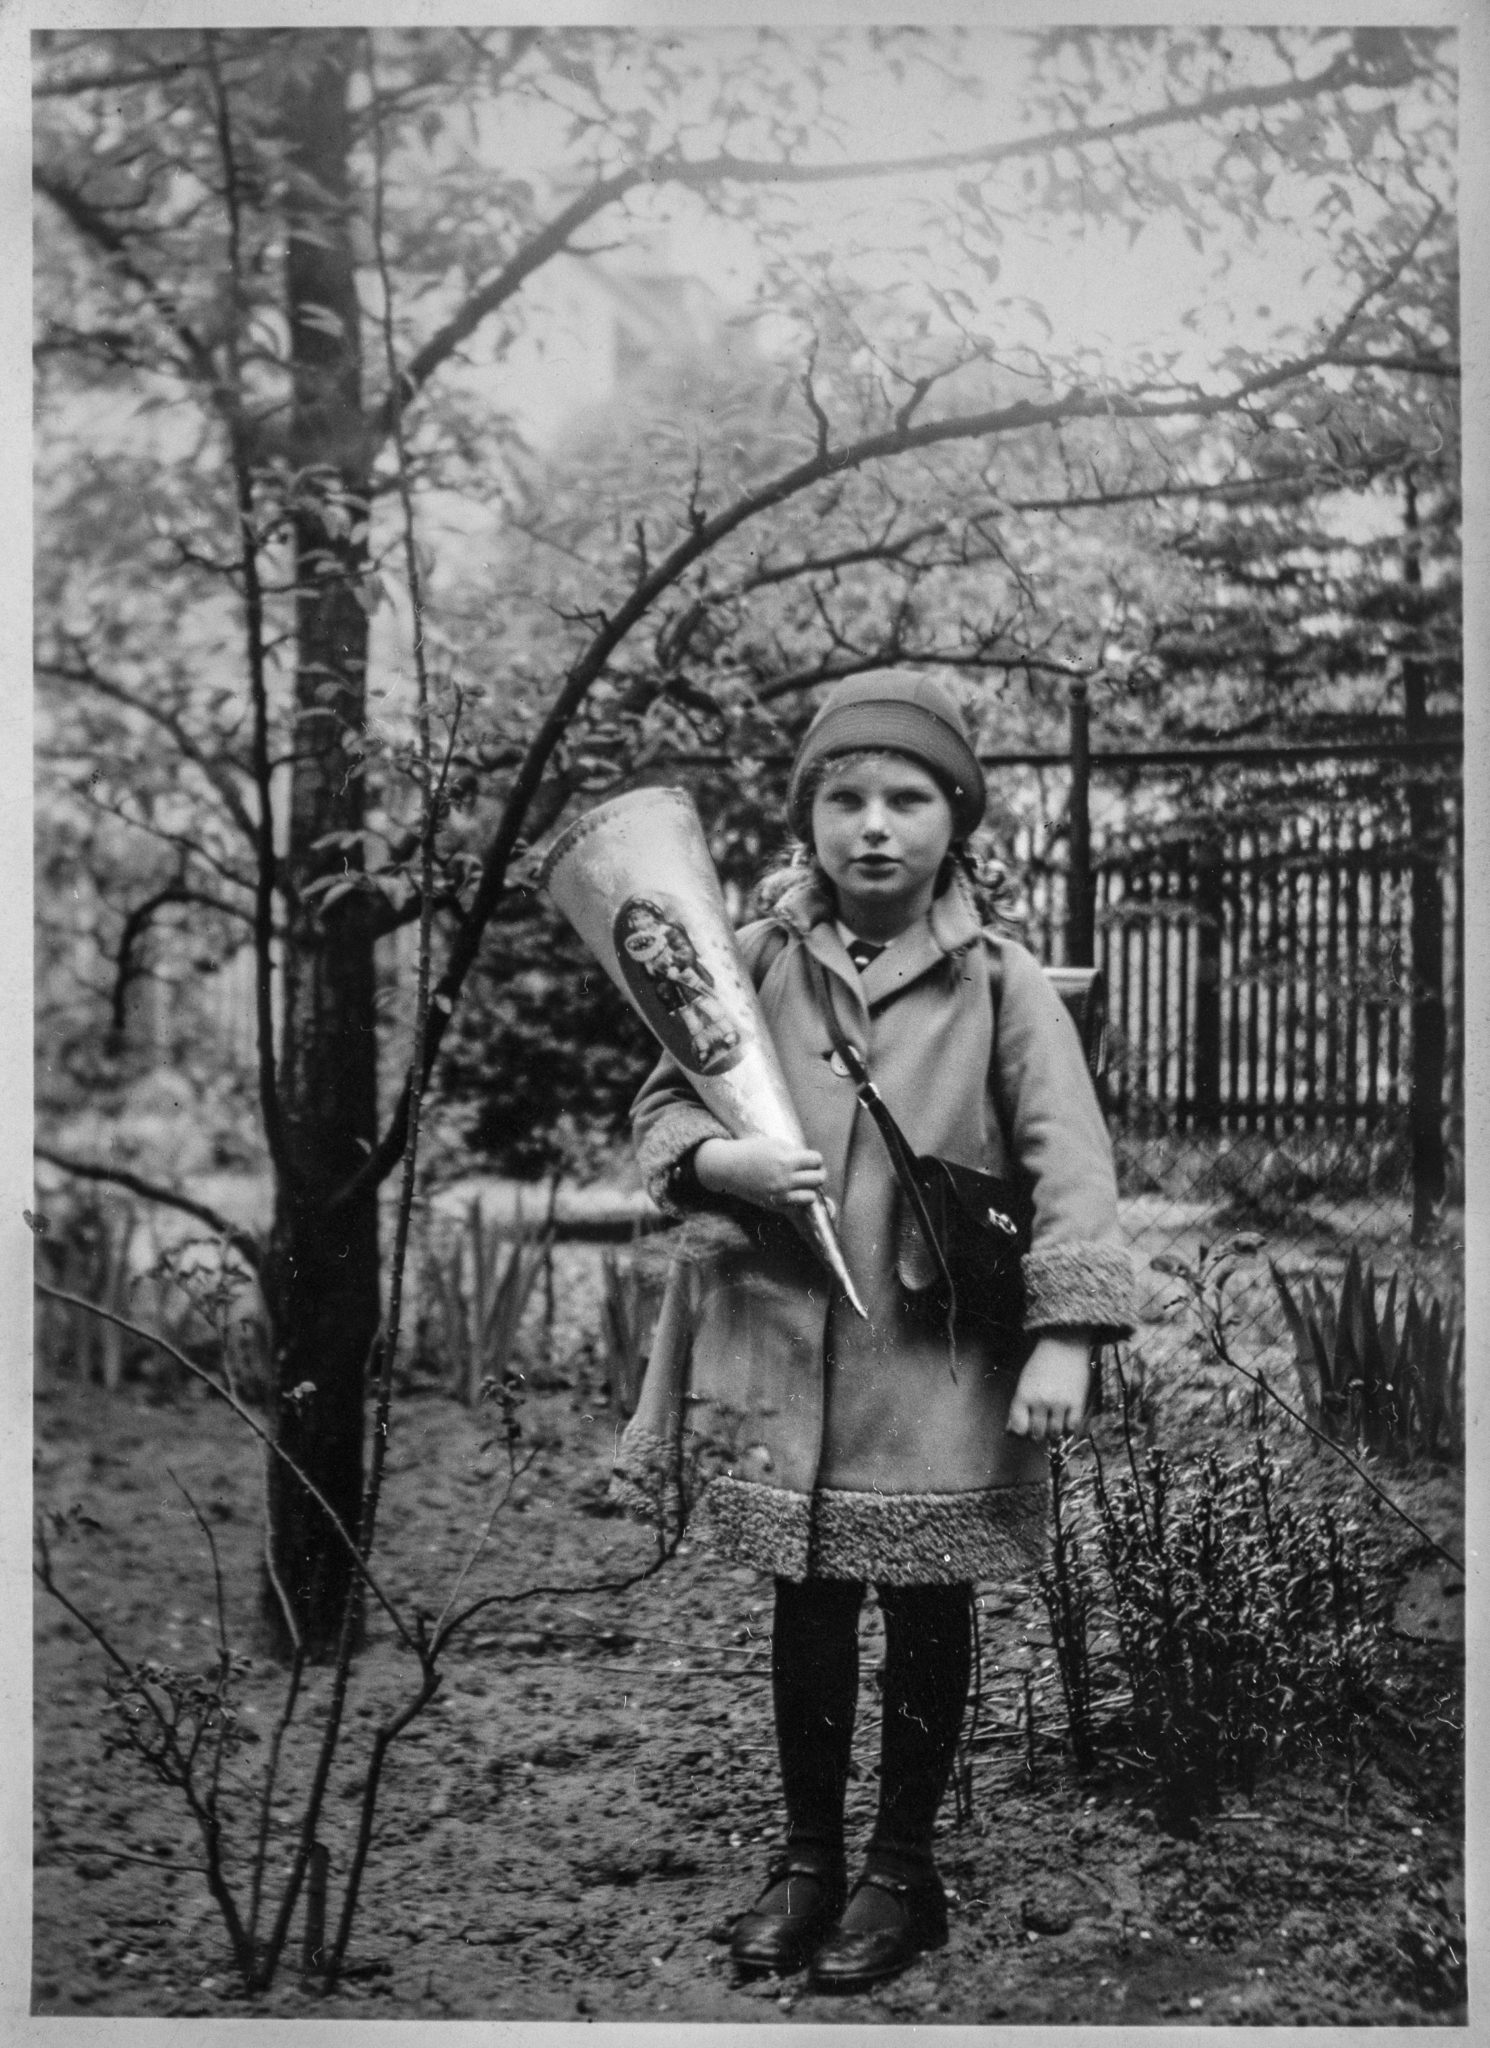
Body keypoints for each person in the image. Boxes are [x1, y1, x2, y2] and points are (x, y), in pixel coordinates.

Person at [612, 670, 1133, 1993]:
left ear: (955, 819)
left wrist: (1066, 1333)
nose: (873, 825)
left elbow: (1067, 1162)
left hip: (933, 1353)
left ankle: (900, 1868)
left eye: (906, 796)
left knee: (923, 1602)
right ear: (810, 820)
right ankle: (802, 1860)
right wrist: (716, 1164)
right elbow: (661, 1108)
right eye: (843, 797)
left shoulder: (1001, 984)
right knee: (808, 1600)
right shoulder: (754, 964)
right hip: (787, 1343)